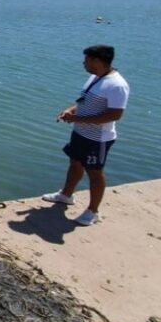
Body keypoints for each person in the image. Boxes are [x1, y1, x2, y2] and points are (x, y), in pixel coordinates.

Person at [42, 45, 130, 226]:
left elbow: (115, 115)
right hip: (80, 132)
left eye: (86, 60)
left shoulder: (117, 85)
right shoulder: (95, 78)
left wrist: (79, 119)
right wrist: (70, 111)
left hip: (98, 138)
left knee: (95, 173)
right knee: (75, 163)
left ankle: (93, 211)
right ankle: (66, 195)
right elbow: (84, 102)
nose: (83, 63)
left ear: (97, 61)